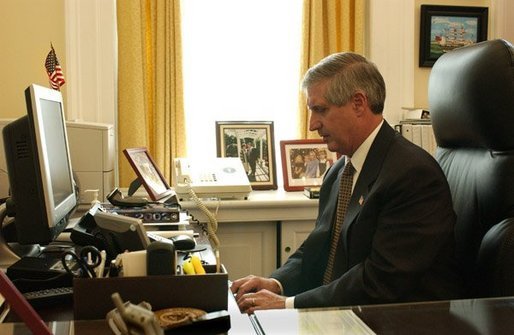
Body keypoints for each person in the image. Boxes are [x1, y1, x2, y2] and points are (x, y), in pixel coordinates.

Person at [230, 52, 463, 313]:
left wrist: (288, 305)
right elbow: (318, 248)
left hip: (399, 321)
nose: (312, 124)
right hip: (346, 315)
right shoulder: (340, 170)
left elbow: (381, 281)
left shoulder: (413, 174)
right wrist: (277, 283)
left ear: (358, 104)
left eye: (320, 110)